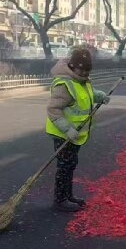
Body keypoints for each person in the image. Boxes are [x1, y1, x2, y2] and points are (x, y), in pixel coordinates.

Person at [45, 48, 110, 212]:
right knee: (64, 167)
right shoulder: (64, 84)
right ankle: (60, 200)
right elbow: (53, 110)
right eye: (81, 69)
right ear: (72, 66)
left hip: (75, 134)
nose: (85, 73)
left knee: (70, 165)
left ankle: (68, 195)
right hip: (63, 133)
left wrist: (99, 96)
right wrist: (67, 129)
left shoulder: (82, 81)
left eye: (87, 70)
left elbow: (87, 94)